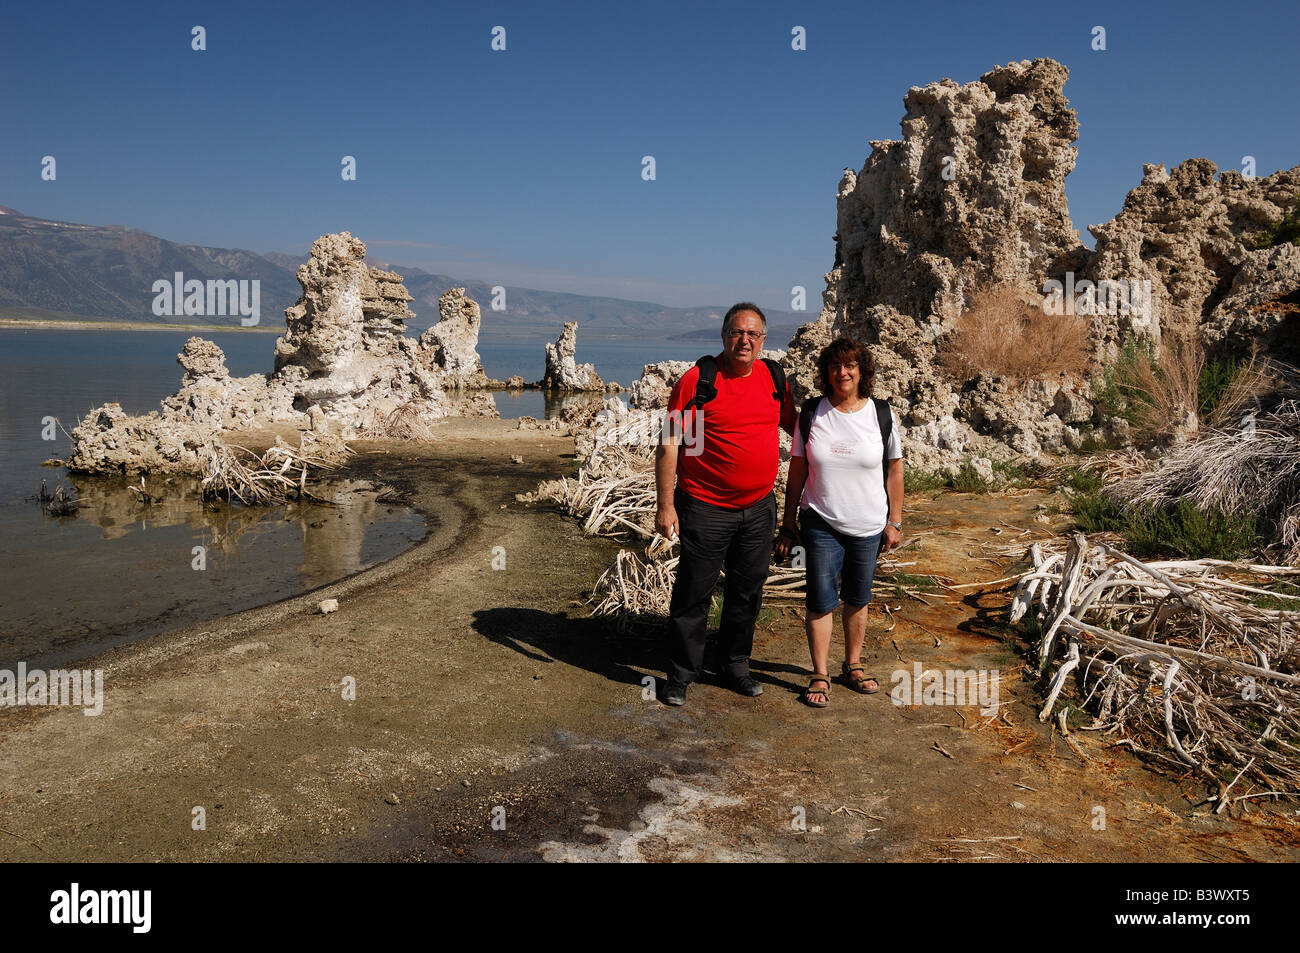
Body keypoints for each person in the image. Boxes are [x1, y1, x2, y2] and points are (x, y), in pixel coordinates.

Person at [655, 303, 796, 706]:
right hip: (704, 506)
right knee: (693, 593)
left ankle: (734, 667)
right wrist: (666, 506)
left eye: (753, 334)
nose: (744, 340)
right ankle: (681, 674)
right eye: (737, 332)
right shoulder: (700, 381)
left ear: (764, 341)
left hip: (758, 508)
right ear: (723, 336)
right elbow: (669, 443)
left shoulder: (773, 378)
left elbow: (800, 429)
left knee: (746, 592)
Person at [775, 336, 903, 708]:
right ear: (826, 372)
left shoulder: (881, 414)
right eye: (835, 366)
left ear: (862, 371)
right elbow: (797, 469)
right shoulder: (812, 412)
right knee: (820, 599)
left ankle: (853, 665)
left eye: (849, 365)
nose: (842, 372)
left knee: (858, 598)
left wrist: (895, 520)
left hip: (868, 524)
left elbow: (895, 469)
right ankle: (819, 672)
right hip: (821, 520)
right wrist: (788, 522)